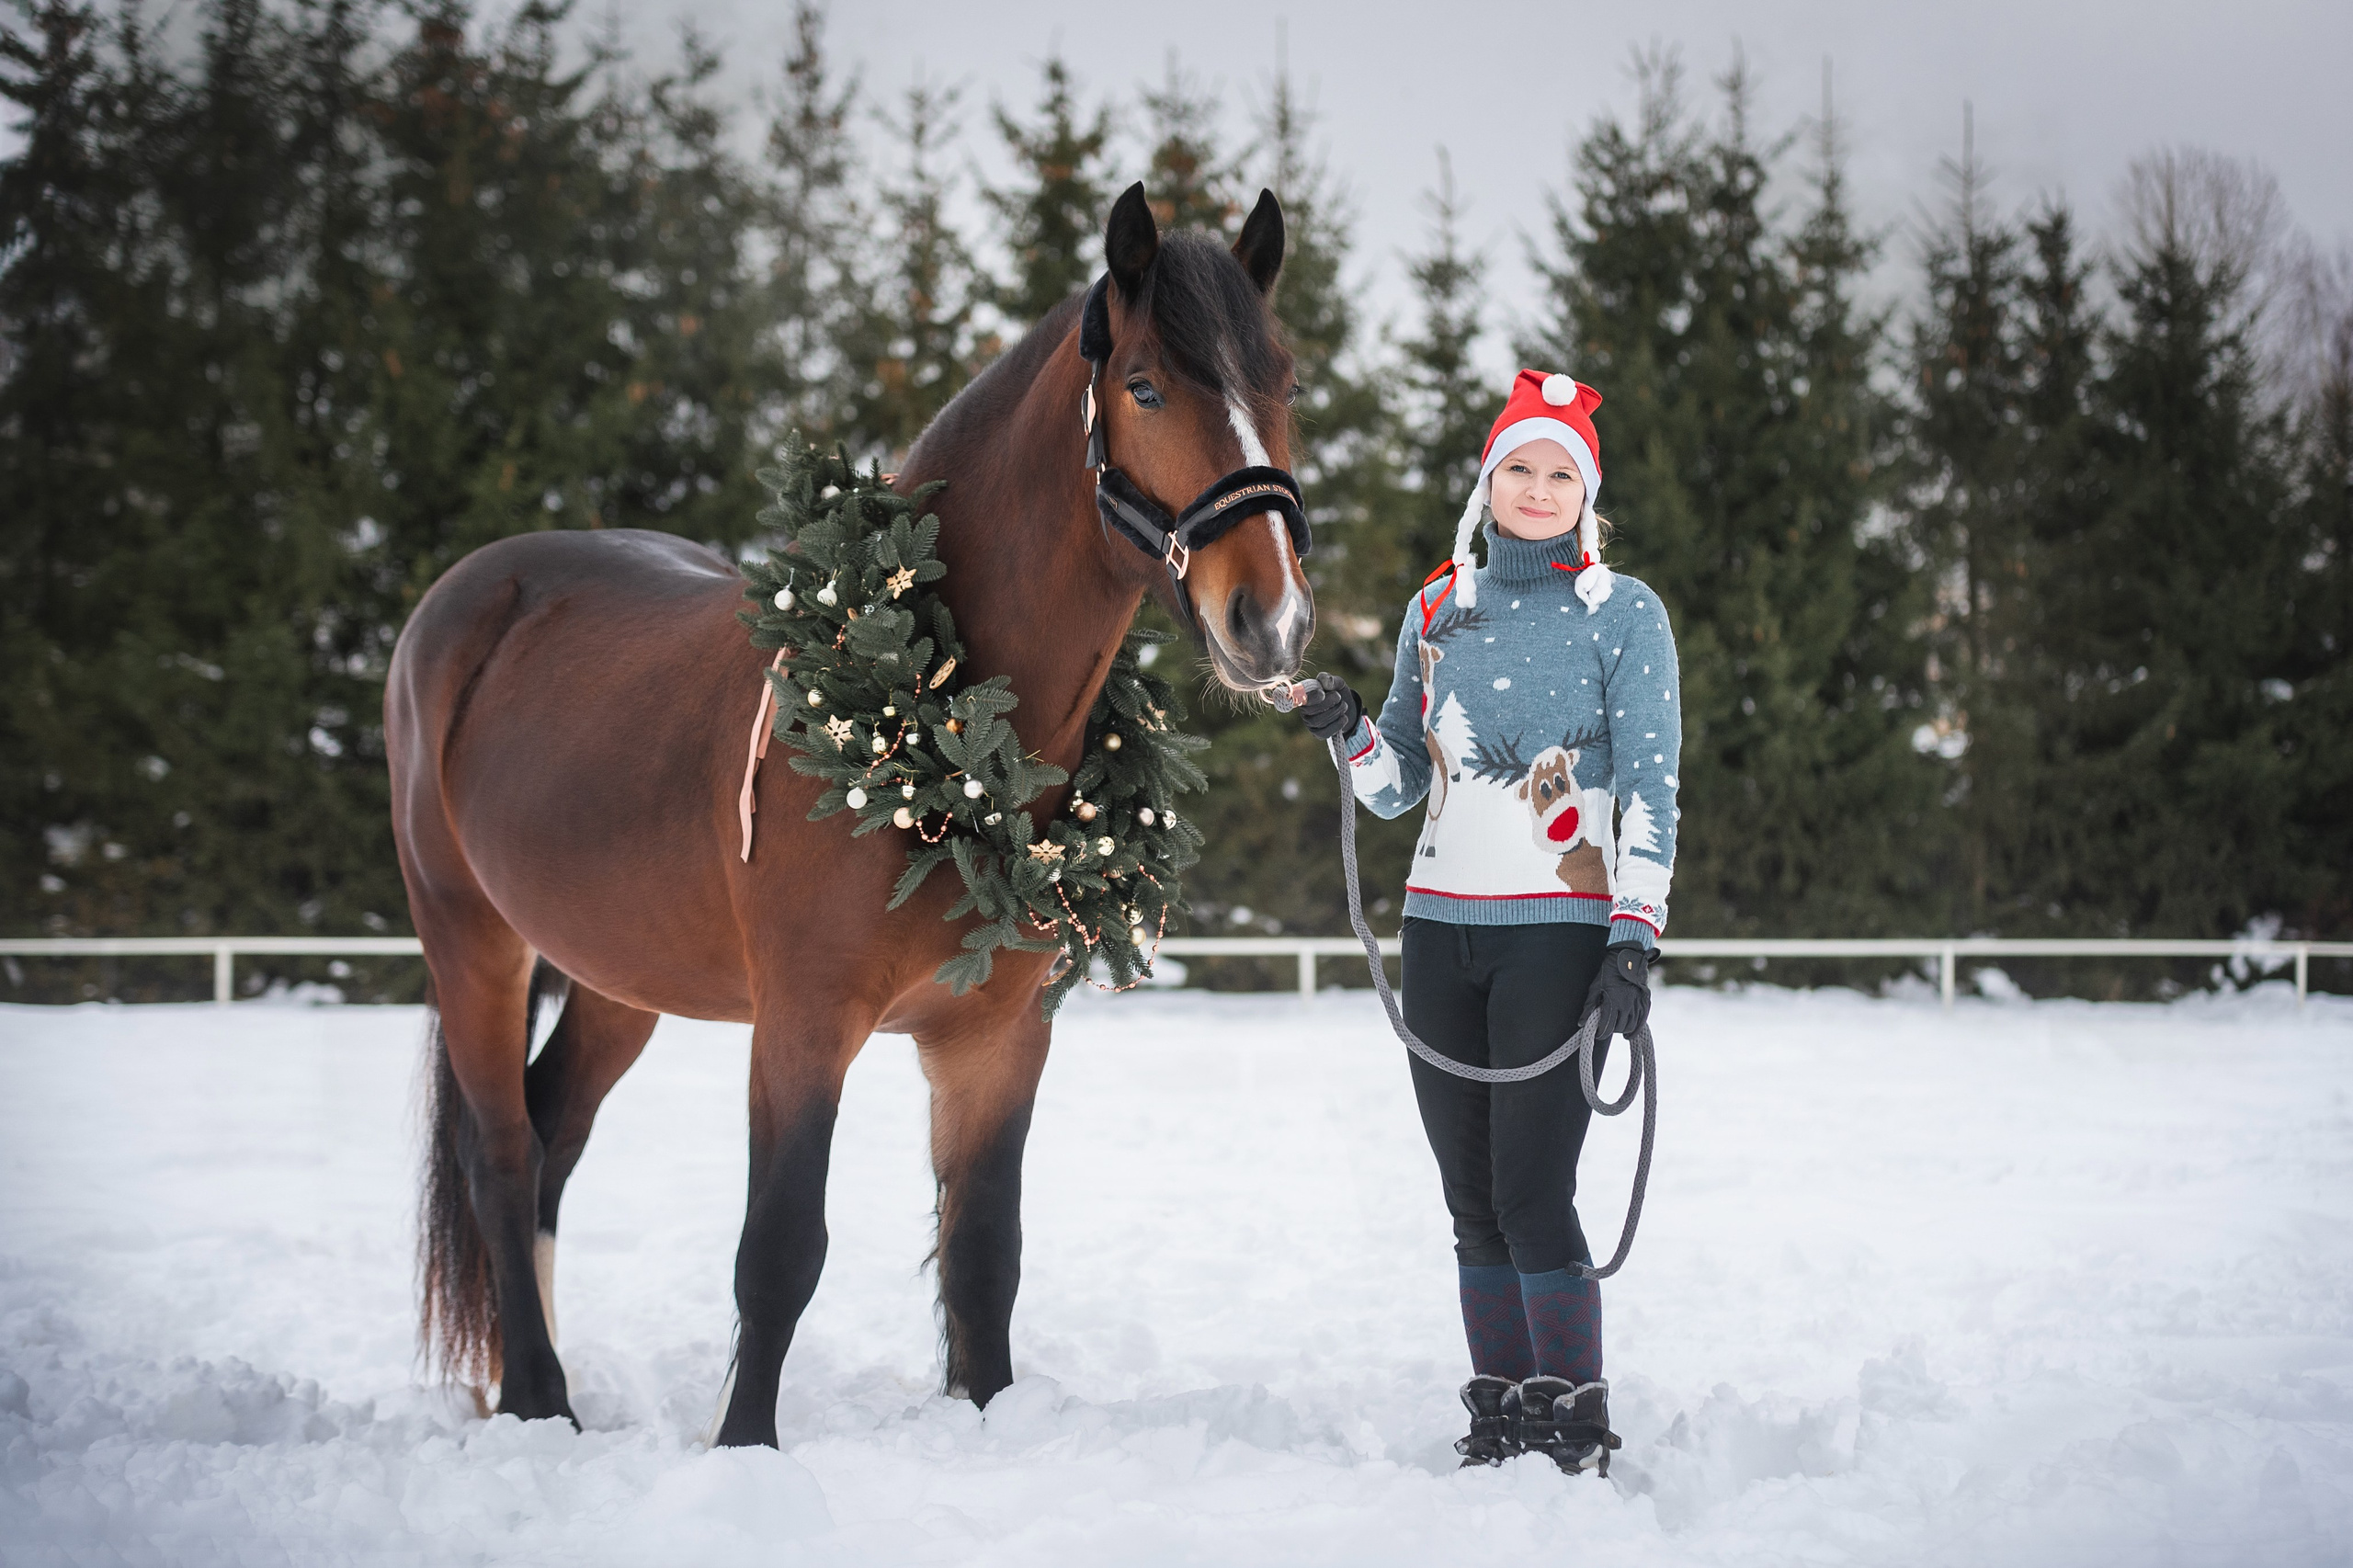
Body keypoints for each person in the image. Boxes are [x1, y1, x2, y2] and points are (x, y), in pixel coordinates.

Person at [1290, 369, 1680, 1475]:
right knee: (1469, 1196)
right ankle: (1501, 1403)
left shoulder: (1625, 613)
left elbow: (1652, 780)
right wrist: (1351, 728)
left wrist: (1633, 933)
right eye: (1522, 466)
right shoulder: (1434, 607)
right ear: (1489, 479)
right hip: (1436, 931)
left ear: (1586, 492)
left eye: (1563, 472)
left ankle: (1572, 1407)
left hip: (1559, 931)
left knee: (1530, 1188)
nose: (1540, 487)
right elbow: (1396, 786)